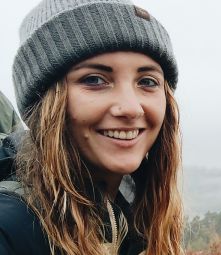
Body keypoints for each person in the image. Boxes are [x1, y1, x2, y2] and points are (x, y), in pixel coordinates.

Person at [0, 0, 183, 254]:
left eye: (147, 81)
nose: (131, 108)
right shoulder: (10, 230)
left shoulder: (131, 216)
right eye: (94, 79)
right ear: (45, 105)